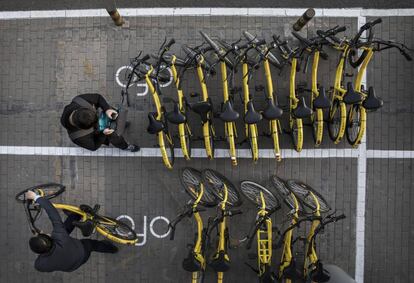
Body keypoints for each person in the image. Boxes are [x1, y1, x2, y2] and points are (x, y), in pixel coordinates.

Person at [25, 190, 119, 272]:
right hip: (81, 251)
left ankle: (113, 250)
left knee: (64, 230)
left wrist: (41, 241)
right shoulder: (59, 236)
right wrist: (36, 197)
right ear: (50, 239)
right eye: (45, 235)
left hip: (72, 265)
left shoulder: (41, 265)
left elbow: (38, 262)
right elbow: (53, 213)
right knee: (91, 244)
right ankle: (110, 248)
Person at [61, 93, 139, 152]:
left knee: (116, 117)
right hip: (104, 132)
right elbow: (93, 146)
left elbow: (98, 97)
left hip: (106, 115)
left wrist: (107, 109)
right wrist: (103, 134)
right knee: (115, 137)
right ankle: (125, 146)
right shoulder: (77, 137)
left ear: (79, 109)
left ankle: (121, 124)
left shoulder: (80, 100)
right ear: (82, 128)